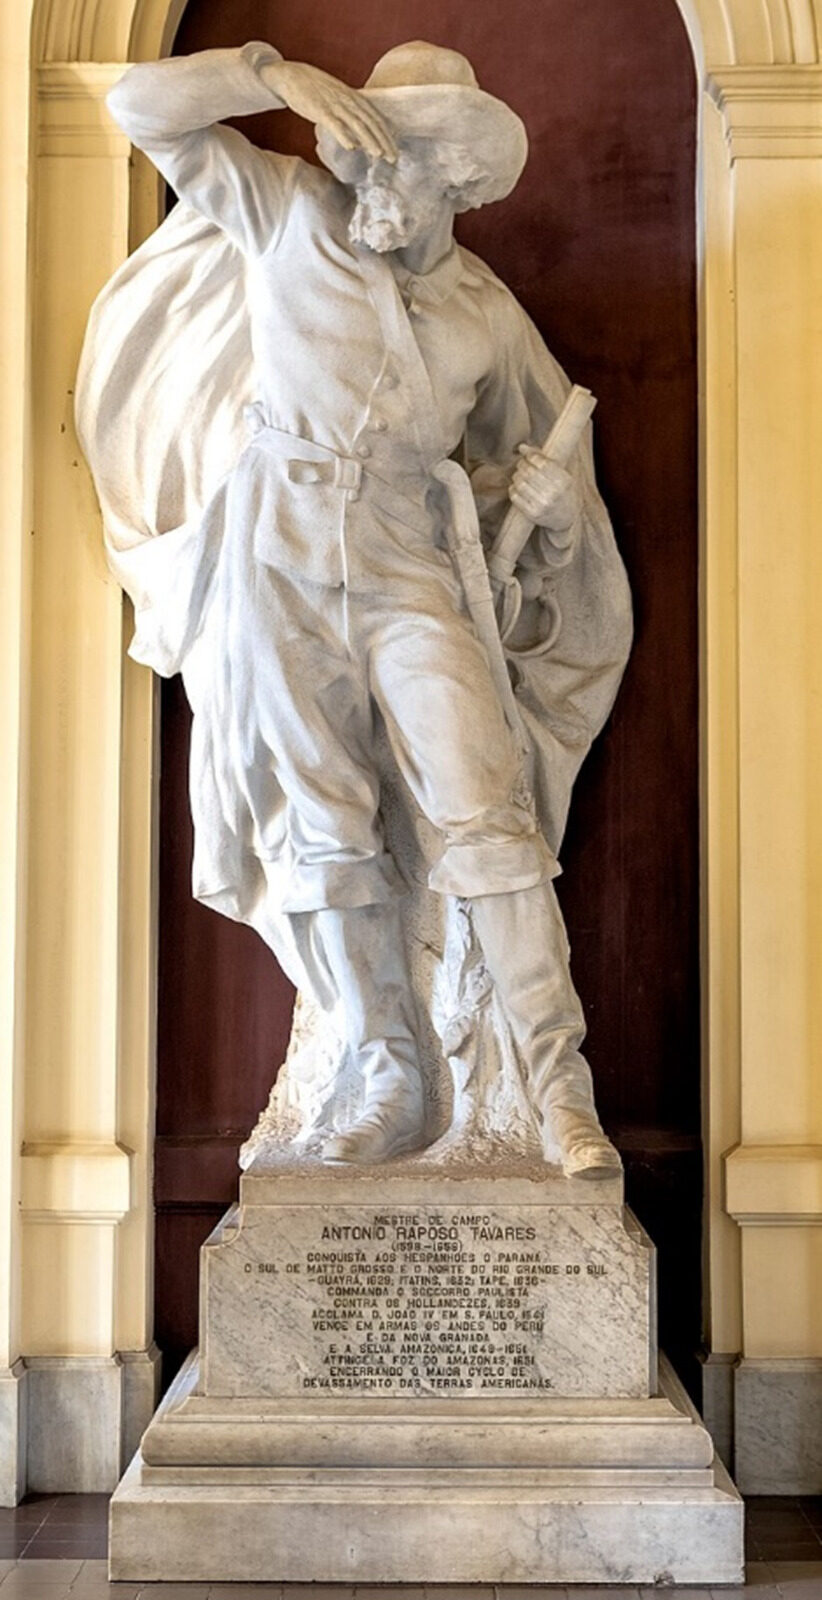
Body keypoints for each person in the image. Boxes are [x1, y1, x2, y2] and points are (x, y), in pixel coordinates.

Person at [80, 38, 632, 1175]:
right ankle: (384, 1070)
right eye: (363, 148)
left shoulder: (487, 313)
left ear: (457, 178)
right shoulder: (285, 211)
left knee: (490, 807)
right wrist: (267, 75)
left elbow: (534, 486)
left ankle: (556, 1084)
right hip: (273, 562)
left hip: (409, 564)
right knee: (320, 827)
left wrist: (555, 514)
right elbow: (142, 108)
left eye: (400, 157)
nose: (369, 174)